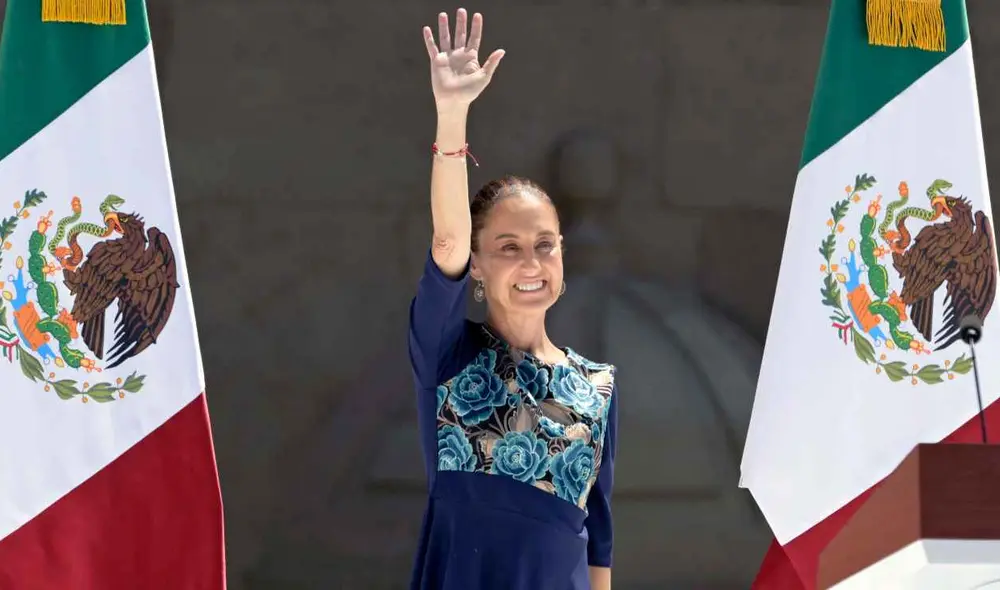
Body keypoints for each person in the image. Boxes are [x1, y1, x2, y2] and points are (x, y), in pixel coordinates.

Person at [407, 8, 618, 590]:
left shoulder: (598, 388)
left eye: (545, 245)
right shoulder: (446, 354)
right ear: (476, 263)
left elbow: (597, 540)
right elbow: (446, 236)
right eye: (508, 246)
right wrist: (452, 117)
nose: (531, 263)